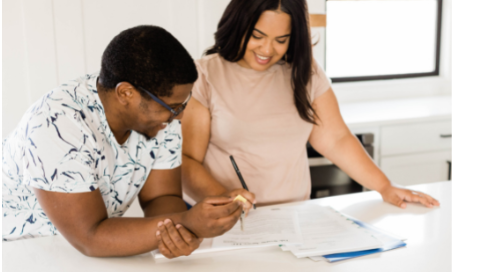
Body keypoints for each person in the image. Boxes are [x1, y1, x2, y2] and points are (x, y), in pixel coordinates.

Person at [2, 25, 245, 258]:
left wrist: (176, 234)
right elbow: (90, 237)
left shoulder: (162, 117)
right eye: (172, 107)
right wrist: (187, 222)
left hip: (83, 252)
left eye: (182, 104)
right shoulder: (56, 124)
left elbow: (160, 198)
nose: (179, 115)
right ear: (126, 93)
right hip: (14, 251)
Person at [180, 0, 440, 213]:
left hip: (295, 216)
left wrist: (385, 186)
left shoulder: (305, 73)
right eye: (257, 36)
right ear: (239, 26)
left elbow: (336, 139)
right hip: (225, 217)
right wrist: (224, 197)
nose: (267, 49)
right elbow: (189, 161)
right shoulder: (204, 75)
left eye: (281, 40)